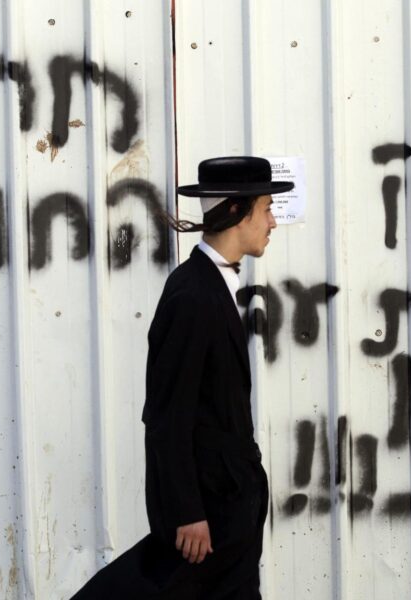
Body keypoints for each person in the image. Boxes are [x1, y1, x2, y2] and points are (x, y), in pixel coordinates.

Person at [71, 156, 292, 599]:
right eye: (266, 208)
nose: (272, 221)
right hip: (209, 509)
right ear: (236, 211)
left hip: (228, 502)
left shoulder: (212, 286)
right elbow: (168, 414)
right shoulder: (193, 295)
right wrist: (186, 511)